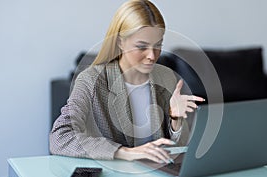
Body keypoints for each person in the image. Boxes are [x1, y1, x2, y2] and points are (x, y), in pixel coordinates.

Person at [49, 0, 204, 164]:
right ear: (120, 42)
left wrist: (175, 120)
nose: (152, 55)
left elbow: (179, 151)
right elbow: (59, 138)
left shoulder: (166, 79)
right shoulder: (91, 80)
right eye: (142, 47)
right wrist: (125, 152)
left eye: (158, 45)